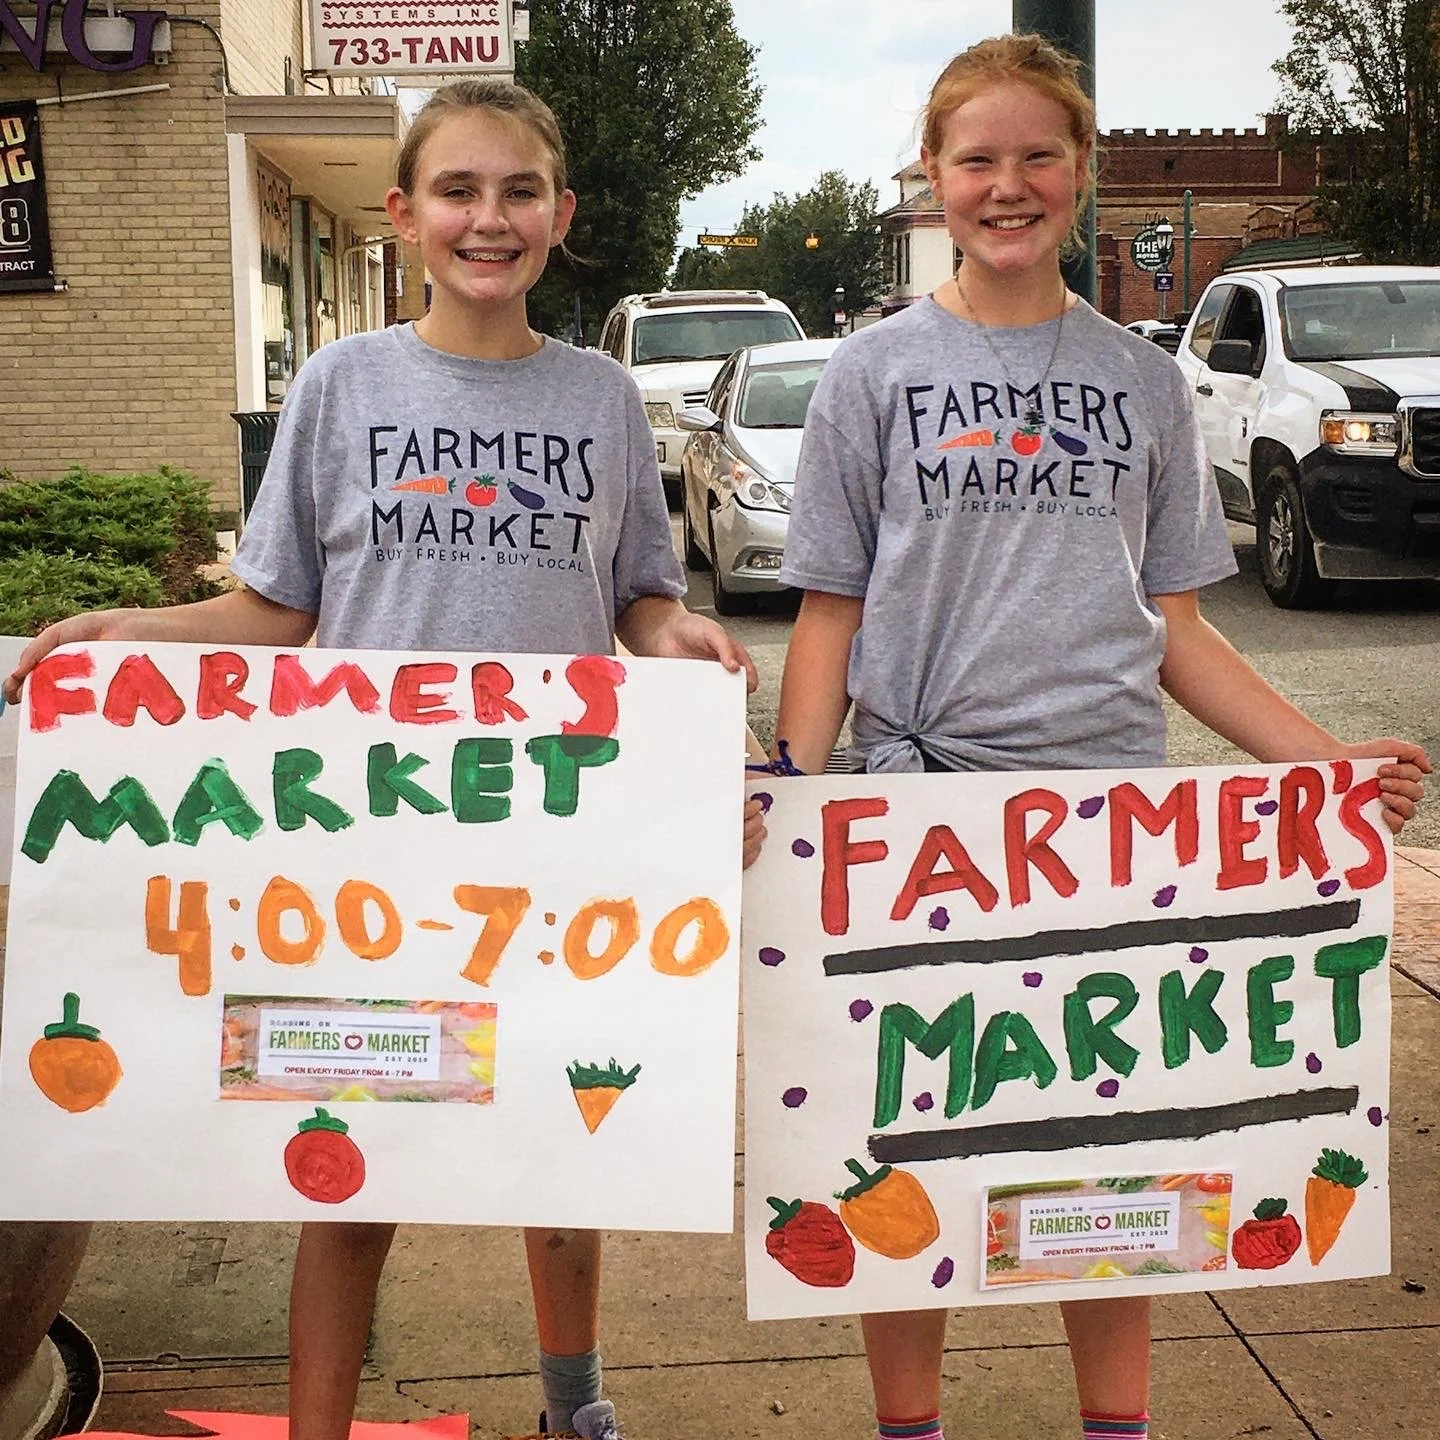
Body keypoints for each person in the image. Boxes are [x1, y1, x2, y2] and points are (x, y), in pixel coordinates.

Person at [6, 78, 765, 1440]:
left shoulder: (600, 400)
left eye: (519, 190)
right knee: (352, 1166)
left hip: (557, 846)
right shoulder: (345, 386)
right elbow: (277, 610)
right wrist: (140, 630)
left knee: (563, 1152)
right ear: (409, 212)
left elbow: (640, 596)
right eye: (461, 191)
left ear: (561, 215)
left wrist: (679, 634)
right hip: (373, 850)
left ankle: (571, 1405)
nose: (491, 217)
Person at [763, 33, 1429, 1440]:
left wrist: (1324, 763)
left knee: (1108, 1153)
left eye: (1037, 156)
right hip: (917, 816)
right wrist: (789, 786)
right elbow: (826, 612)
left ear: (1082, 174)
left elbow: (1176, 627)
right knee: (910, 1149)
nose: (1007, 185)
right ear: (933, 179)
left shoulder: (1139, 380)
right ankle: (910, 1427)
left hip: (1111, 826)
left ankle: (1113, 1428)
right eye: (976, 159)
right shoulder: (872, 373)